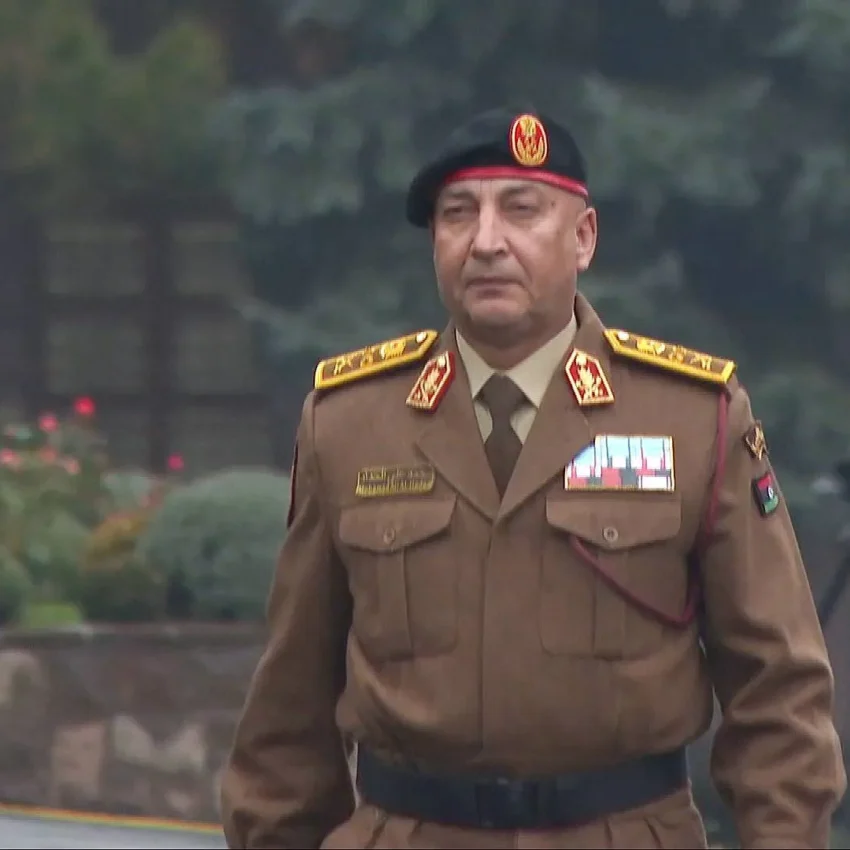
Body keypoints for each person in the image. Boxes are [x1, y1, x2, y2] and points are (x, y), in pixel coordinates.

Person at [219, 107, 846, 849]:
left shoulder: (692, 418)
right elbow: (289, 706)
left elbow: (777, 687)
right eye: (459, 215)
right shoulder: (351, 423)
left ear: (582, 238)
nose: (487, 242)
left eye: (521, 210)